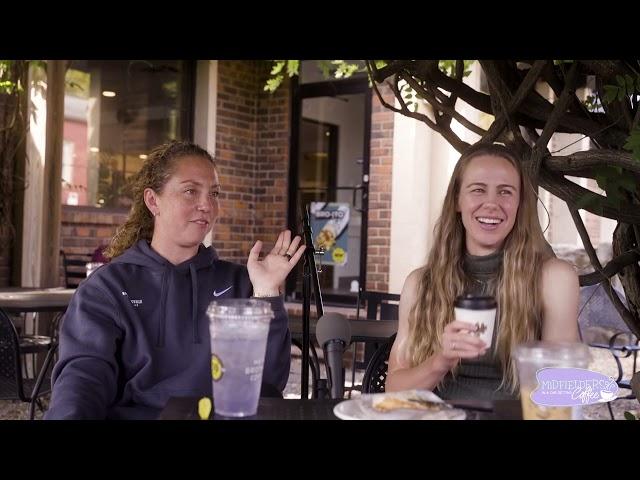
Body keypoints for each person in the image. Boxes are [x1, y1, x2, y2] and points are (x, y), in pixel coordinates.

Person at [45, 141, 305, 419]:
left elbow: (267, 384)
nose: (207, 205)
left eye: (214, 193)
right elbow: (82, 380)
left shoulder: (241, 282)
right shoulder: (109, 287)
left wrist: (267, 293)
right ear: (152, 200)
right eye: (191, 191)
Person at [386, 143, 580, 400]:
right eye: (478, 190)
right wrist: (442, 360)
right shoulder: (421, 284)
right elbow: (394, 389)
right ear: (457, 200)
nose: (492, 204)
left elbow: (561, 392)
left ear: (520, 204)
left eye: (505, 192)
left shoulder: (553, 279)